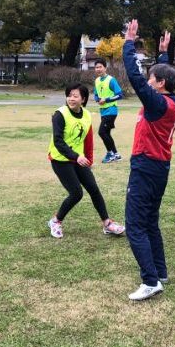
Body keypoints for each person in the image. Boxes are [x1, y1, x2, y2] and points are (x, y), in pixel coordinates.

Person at [122, 20, 175, 301]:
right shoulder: (174, 101)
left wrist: (129, 43)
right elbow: (165, 77)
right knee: (150, 222)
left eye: (153, 79)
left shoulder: (158, 103)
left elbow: (135, 79)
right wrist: (163, 55)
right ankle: (160, 272)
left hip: (146, 166)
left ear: (159, 85)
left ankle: (150, 281)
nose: (148, 82)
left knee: (135, 224)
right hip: (159, 167)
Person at [47, 83, 126, 239]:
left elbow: (88, 139)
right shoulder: (59, 114)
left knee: (93, 188)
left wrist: (88, 159)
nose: (71, 98)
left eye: (75, 96)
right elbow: (58, 141)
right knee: (76, 193)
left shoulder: (87, 115)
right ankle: (55, 221)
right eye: (69, 95)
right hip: (60, 159)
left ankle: (107, 224)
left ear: (83, 99)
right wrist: (77, 156)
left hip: (79, 159)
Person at [93, 57, 124, 163]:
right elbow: (96, 95)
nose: (98, 69)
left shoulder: (111, 80)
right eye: (96, 67)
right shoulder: (97, 81)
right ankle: (116, 154)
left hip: (111, 110)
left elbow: (120, 95)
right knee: (107, 133)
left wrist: (106, 99)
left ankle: (110, 153)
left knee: (102, 132)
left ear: (105, 68)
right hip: (103, 110)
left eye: (100, 67)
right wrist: (98, 100)